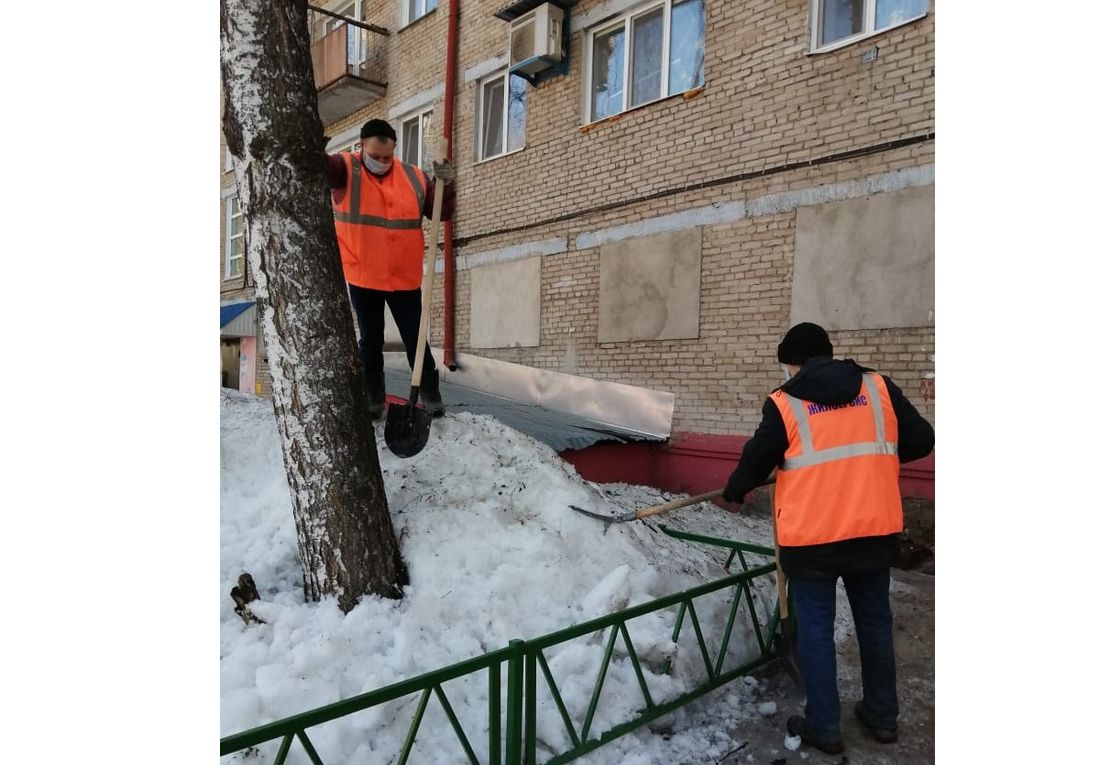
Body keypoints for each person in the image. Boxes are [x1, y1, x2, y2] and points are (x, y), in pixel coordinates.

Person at [721, 322, 934, 755]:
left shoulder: (785, 404)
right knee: (874, 623)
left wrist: (735, 489)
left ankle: (824, 726)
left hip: (813, 539)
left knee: (815, 630)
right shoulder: (878, 388)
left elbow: (756, 459)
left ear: (793, 364)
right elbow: (922, 439)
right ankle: (882, 717)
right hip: (873, 532)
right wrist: (878, 454)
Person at [326, 118, 456, 418]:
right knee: (371, 339)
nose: (382, 162)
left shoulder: (413, 177)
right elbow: (322, 170)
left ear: (394, 150)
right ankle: (373, 399)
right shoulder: (346, 168)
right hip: (363, 273)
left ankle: (430, 394)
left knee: (415, 337)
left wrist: (444, 185)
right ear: (362, 147)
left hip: (403, 276)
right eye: (375, 156)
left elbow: (442, 211)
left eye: (387, 157)